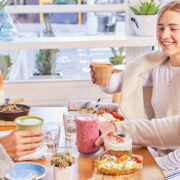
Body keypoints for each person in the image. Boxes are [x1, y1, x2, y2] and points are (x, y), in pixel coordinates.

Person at [90, 0, 180, 171]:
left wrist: (150, 166)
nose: (164, 35)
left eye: (173, 29)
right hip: (157, 152)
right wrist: (103, 77)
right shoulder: (156, 63)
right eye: (161, 28)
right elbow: (121, 82)